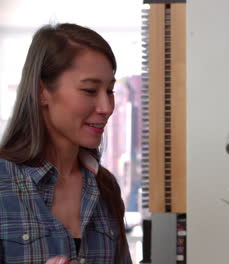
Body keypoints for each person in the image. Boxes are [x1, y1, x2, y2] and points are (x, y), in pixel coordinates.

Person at [0, 23, 132, 263]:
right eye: (90, 90)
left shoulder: (106, 188)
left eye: (110, 90)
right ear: (42, 92)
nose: (106, 108)